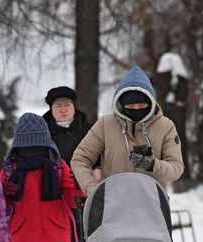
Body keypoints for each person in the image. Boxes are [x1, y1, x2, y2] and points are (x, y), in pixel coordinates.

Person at [71, 65, 184, 195]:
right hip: (113, 204)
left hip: (152, 206)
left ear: (151, 103)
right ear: (122, 105)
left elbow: (176, 169)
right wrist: (93, 190)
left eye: (142, 105)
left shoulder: (166, 126)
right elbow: (80, 159)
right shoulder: (105, 125)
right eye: (130, 106)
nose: (136, 109)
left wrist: (153, 165)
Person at [1, 113, 77, 242]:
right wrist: (2, 192)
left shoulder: (57, 165)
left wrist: (82, 196)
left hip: (53, 233)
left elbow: (70, 192)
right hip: (26, 233)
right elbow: (0, 204)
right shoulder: (11, 168)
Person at [41, 86, 94, 242]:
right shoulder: (42, 133)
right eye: (58, 106)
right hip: (56, 202)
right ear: (51, 109)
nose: (63, 109)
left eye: (67, 105)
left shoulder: (89, 130)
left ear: (74, 107)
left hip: (86, 199)